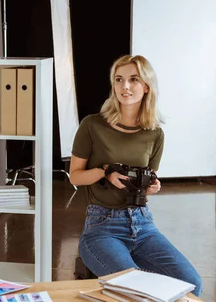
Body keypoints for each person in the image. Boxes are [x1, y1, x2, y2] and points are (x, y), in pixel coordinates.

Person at [69, 54, 202, 296]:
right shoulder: (92, 125)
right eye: (118, 80)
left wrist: (152, 186)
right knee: (133, 289)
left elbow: (150, 177)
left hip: (143, 224)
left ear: (146, 86)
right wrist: (105, 172)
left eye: (133, 79)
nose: (125, 86)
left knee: (191, 284)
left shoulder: (154, 133)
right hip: (102, 227)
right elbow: (75, 177)